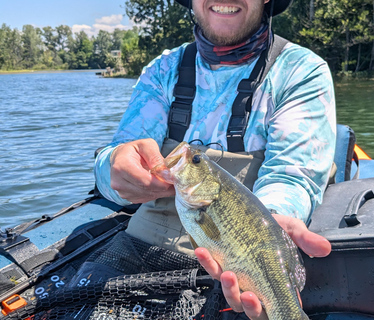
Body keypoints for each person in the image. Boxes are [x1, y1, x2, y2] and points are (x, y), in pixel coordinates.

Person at [93, 0, 336, 317]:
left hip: (235, 268)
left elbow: (290, 178)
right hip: (140, 249)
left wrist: (271, 226)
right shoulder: (162, 70)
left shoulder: (300, 72)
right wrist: (111, 168)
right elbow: (116, 159)